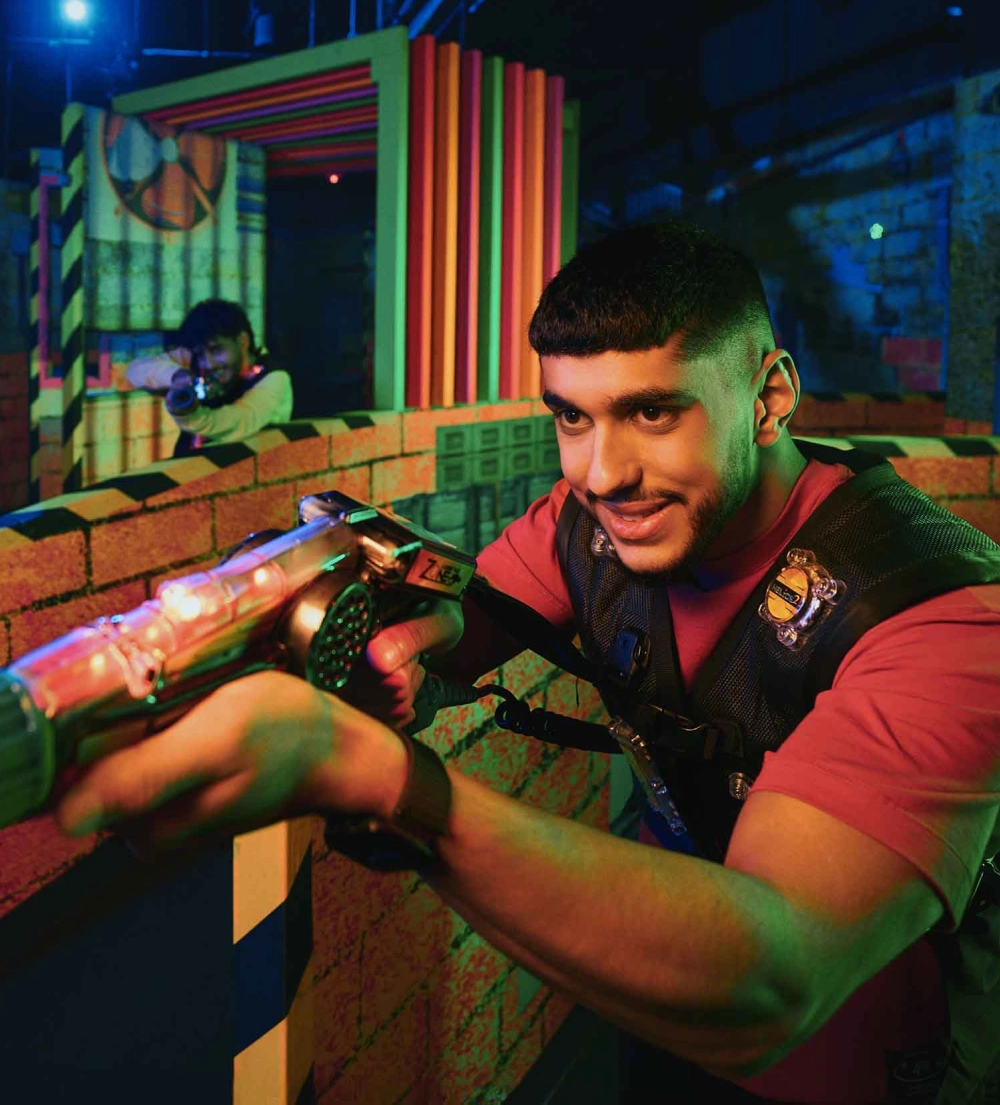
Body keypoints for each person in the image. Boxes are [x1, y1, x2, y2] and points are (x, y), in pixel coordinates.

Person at [57, 224, 1000, 1104]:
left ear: (769, 397)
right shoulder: (586, 526)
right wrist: (364, 639)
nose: (602, 473)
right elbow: (459, 625)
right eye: (573, 419)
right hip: (657, 1021)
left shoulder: (944, 616)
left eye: (652, 413)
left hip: (873, 1064)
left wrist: (380, 780)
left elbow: (773, 977)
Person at [126, 299, 293, 455]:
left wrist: (189, 414)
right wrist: (177, 376)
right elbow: (136, 371)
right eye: (200, 353)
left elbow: (235, 424)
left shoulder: (274, 379)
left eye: (216, 350)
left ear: (243, 341)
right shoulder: (197, 359)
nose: (208, 364)